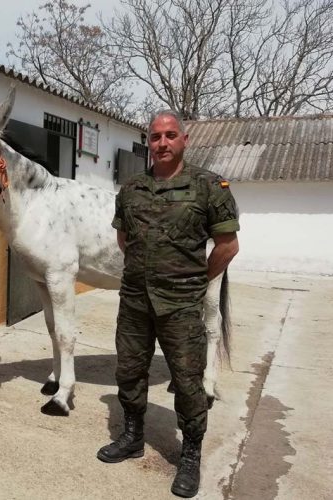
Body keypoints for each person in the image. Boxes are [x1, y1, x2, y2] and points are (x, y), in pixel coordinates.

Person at [98, 111, 239, 498]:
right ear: (149, 141)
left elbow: (228, 247)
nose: (162, 143)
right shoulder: (131, 189)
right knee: (128, 370)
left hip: (181, 305)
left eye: (170, 135)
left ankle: (189, 456)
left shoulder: (211, 187)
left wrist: (195, 281)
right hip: (134, 302)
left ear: (184, 140)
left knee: (189, 381)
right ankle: (132, 436)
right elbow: (125, 240)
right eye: (156, 136)